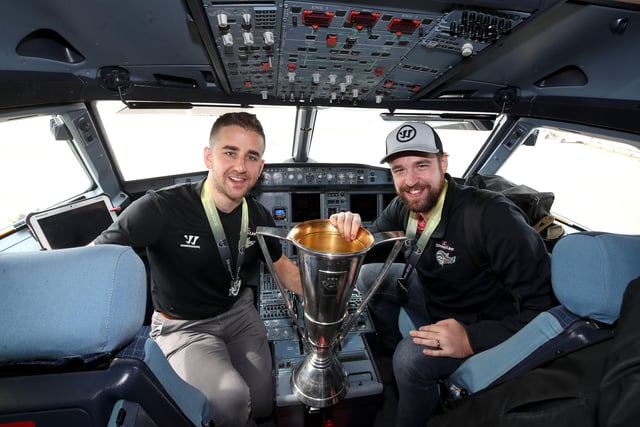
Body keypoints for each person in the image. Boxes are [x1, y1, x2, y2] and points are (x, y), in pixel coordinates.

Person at [329, 122, 556, 427]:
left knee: (409, 360)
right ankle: (390, 348)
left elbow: (545, 307)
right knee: (371, 275)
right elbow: (372, 246)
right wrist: (350, 229)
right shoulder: (403, 206)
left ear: (443, 163)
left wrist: (472, 339)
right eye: (399, 170)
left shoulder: (492, 217)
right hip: (436, 295)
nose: (410, 181)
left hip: (478, 319)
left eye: (421, 165)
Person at [93, 112, 302, 427]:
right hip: (184, 327)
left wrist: (328, 298)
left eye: (251, 157)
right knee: (229, 400)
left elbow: (282, 266)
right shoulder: (160, 208)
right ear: (209, 157)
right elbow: (99, 258)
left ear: (261, 168)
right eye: (230, 153)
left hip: (239, 313)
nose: (240, 167)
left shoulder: (257, 216)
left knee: (260, 402)